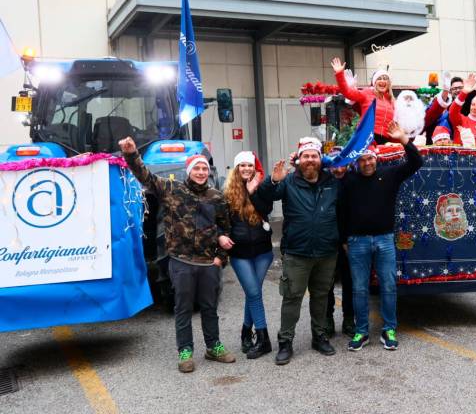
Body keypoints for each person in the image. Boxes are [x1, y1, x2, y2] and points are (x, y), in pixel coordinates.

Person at [118, 137, 235, 373]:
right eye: (197, 169)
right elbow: (145, 176)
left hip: (207, 263)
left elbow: (225, 228)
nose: (201, 172)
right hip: (181, 262)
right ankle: (185, 351)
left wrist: (220, 258)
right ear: (189, 172)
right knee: (182, 309)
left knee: (209, 308)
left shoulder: (216, 197)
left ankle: (213, 347)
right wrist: (131, 154)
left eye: (204, 168)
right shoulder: (171, 189)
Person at [339, 122, 423, 351]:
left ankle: (389, 329)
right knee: (359, 288)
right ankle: (361, 331)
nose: (367, 163)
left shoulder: (390, 175)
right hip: (357, 242)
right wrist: (344, 239)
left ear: (376, 158)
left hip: (385, 239)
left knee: (388, 285)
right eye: (363, 159)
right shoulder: (349, 181)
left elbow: (417, 162)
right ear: (357, 161)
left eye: (370, 158)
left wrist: (403, 139)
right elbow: (341, 211)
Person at [258, 137, 339, 365]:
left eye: (314, 156)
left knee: (321, 297)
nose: (310, 160)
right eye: (306, 156)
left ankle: (319, 336)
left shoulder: (333, 181)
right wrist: (272, 181)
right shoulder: (289, 182)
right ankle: (285, 342)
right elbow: (264, 197)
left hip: (326, 252)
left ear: (320, 159)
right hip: (297, 252)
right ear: (299, 159)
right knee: (292, 299)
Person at [221, 151, 275, 359]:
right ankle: (264, 340)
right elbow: (222, 219)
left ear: (254, 168)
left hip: (263, 252)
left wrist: (253, 192)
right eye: (242, 165)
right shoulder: (226, 193)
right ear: (236, 169)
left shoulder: (262, 189)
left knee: (253, 293)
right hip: (240, 253)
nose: (246, 169)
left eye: (249, 166)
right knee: (253, 292)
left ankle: (246, 331)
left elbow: (266, 208)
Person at [332, 57, 395, 144]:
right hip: (367, 137)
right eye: (379, 79)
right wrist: (339, 74)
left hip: (386, 140)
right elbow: (348, 92)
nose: (382, 81)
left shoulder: (391, 101)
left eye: (385, 79)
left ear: (389, 83)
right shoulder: (367, 93)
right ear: (374, 82)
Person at [326, 162, 355, 338]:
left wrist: (347, 239)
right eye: (335, 165)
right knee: (326, 282)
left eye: (341, 165)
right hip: (328, 241)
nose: (338, 169)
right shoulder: (324, 182)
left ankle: (349, 319)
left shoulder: (353, 181)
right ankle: (327, 319)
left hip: (349, 241)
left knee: (349, 282)